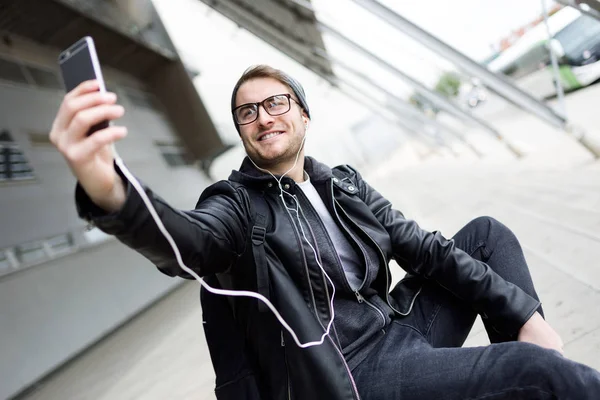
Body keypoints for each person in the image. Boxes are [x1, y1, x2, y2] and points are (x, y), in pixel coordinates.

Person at [50, 65, 600, 399]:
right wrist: (109, 190)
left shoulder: (342, 184)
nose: (263, 117)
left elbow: (424, 250)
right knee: (539, 372)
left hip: (398, 329)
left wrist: (524, 315)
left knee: (485, 235)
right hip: (354, 371)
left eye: (275, 103)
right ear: (242, 132)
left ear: (303, 115)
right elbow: (188, 245)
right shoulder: (235, 204)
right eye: (247, 113)